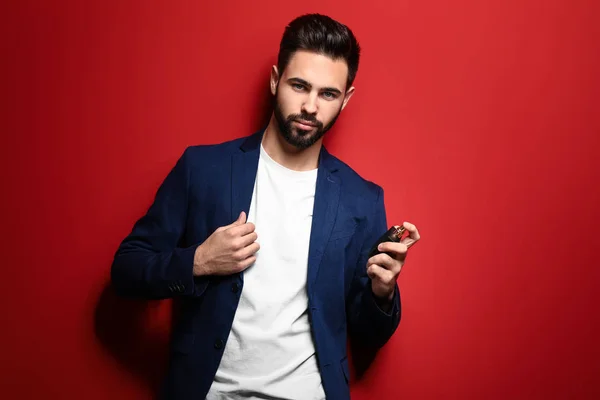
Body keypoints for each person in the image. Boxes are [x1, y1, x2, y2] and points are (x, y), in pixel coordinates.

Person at [111, 13, 421, 400]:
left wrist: (383, 292)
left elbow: (368, 336)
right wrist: (198, 262)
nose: (310, 106)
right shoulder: (202, 169)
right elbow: (126, 270)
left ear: (347, 99)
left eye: (328, 94)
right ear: (276, 80)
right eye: (299, 85)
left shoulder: (362, 199)